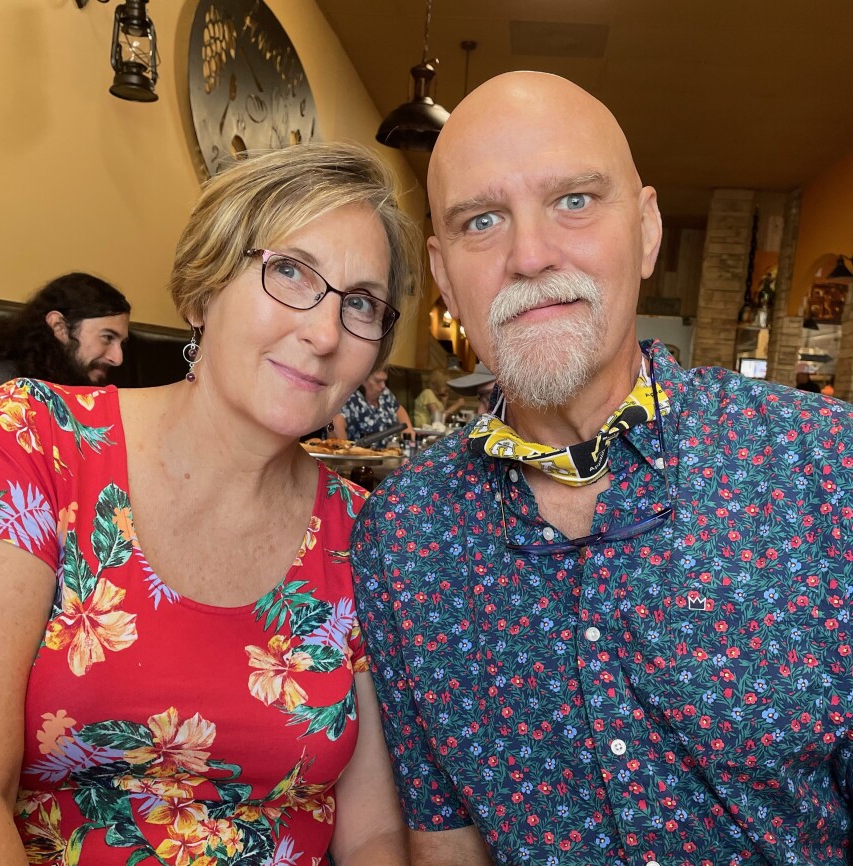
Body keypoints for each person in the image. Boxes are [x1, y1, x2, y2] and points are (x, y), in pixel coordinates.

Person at [351, 71, 853, 865]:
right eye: (483, 220)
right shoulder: (403, 538)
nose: (530, 255)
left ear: (647, 231)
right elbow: (443, 840)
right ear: (445, 276)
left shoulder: (827, 469)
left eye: (575, 201)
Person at [0, 142, 420, 865]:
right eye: (291, 272)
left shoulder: (361, 533)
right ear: (201, 290)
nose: (326, 332)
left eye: (361, 303)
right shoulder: (34, 440)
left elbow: (370, 834)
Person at [0, 272, 131, 403]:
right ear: (59, 327)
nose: (118, 359)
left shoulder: (91, 394)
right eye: (107, 338)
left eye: (122, 344)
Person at [332, 368, 414, 445]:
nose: (383, 386)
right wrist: (346, 452)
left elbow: (399, 409)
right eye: (378, 381)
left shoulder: (385, 394)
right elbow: (335, 425)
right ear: (362, 380)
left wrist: (409, 432)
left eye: (384, 381)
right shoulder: (349, 396)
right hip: (361, 457)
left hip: (390, 452)